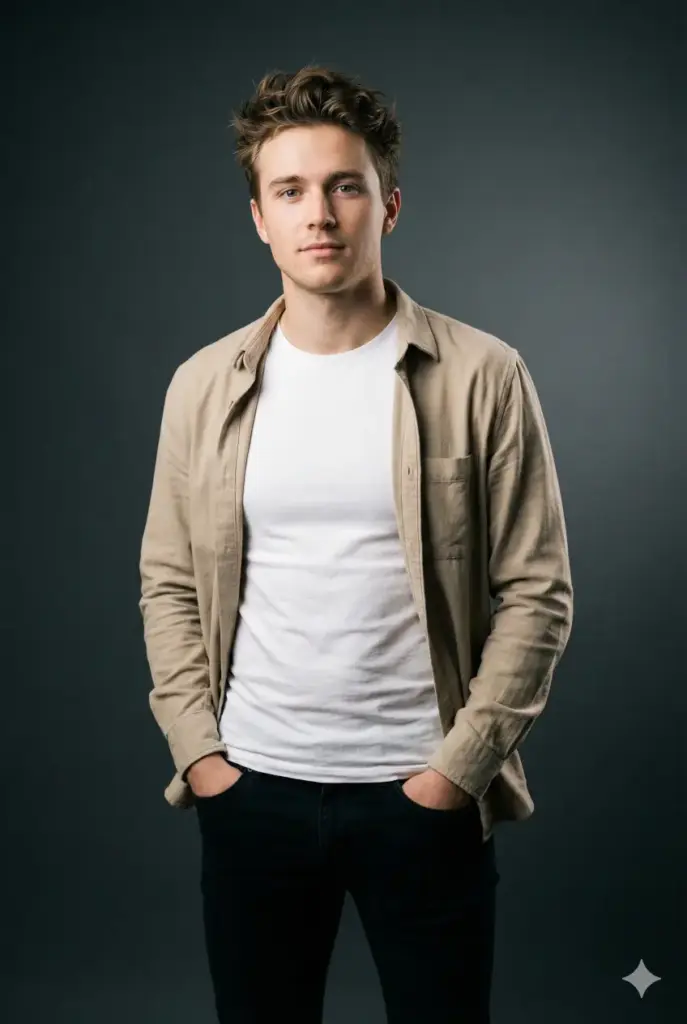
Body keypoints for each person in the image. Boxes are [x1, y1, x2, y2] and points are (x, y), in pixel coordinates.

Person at [138, 63, 573, 1024]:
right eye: (289, 190)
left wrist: (454, 772)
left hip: (421, 796)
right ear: (259, 217)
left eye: (345, 185)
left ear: (389, 204)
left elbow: (537, 593)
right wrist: (201, 758)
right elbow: (167, 582)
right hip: (251, 790)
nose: (320, 213)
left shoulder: (483, 374)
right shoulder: (202, 386)